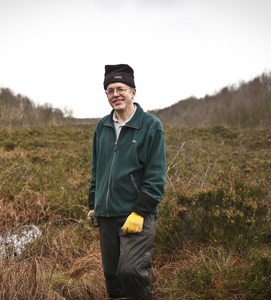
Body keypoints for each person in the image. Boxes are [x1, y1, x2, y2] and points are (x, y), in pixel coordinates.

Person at [87, 64, 167, 299]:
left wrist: (140, 212)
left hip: (136, 215)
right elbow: (96, 169)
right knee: (112, 277)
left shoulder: (151, 126)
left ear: (133, 91)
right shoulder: (101, 126)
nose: (115, 95)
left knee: (131, 272)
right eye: (110, 91)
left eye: (121, 89)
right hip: (106, 215)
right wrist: (93, 205)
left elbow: (156, 177)